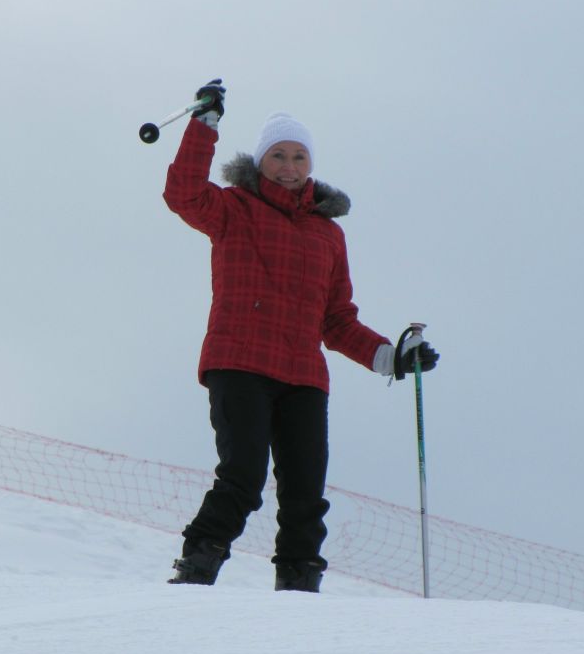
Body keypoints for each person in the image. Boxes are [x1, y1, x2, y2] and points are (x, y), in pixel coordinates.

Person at [162, 79, 438, 592]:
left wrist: (391, 357)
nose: (289, 167)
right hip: (240, 363)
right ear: (261, 161)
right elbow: (183, 195)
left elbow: (336, 320)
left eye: (299, 157)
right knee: (242, 478)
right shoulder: (233, 209)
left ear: (311, 164)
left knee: (306, 493)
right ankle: (195, 572)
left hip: (303, 378)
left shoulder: (327, 234)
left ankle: (298, 588)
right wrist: (204, 126)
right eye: (279, 156)